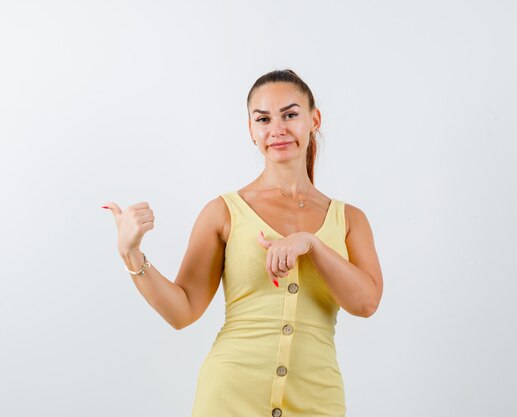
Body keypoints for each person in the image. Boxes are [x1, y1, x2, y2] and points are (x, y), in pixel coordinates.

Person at [102, 69, 384, 417]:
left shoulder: (350, 220)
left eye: (290, 114)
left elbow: (367, 303)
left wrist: (313, 245)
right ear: (251, 130)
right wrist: (131, 253)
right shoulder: (224, 212)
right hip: (229, 396)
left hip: (318, 399)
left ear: (315, 120)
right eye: (263, 119)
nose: (277, 129)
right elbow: (182, 311)